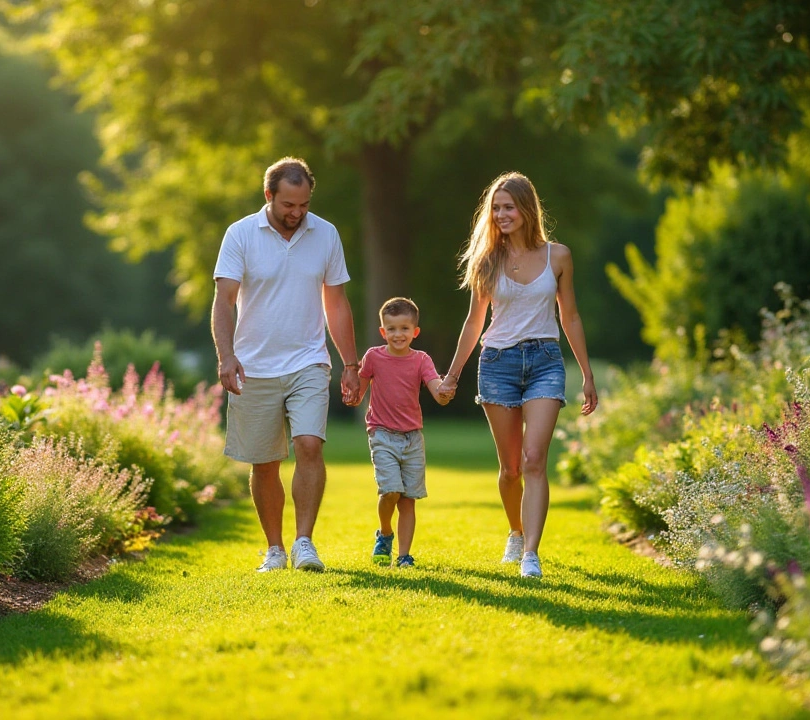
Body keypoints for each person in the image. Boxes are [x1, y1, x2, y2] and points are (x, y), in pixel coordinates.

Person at [437, 172, 598, 578]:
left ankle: (530, 553)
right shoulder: (487, 259)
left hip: (545, 360)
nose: (501, 214)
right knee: (510, 468)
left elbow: (571, 316)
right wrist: (452, 375)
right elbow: (474, 322)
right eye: (496, 208)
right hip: (497, 364)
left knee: (533, 459)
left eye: (509, 207)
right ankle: (515, 530)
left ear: (527, 209)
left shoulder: (558, 256)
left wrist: (588, 375)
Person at [212, 157, 360, 573]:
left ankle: (304, 542)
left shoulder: (325, 234)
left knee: (309, 445)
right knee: (265, 462)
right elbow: (223, 302)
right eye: (289, 205)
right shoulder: (240, 235)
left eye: (304, 205)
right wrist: (226, 356)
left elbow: (336, 303)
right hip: (254, 365)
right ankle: (274, 548)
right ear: (269, 196)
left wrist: (350, 364)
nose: (297, 213)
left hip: (308, 360)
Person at [348, 297, 452, 568]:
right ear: (383, 332)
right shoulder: (373, 357)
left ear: (415, 332)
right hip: (381, 434)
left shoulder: (421, 360)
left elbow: (436, 389)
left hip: (413, 438)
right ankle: (385, 533)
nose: (398, 334)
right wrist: (351, 394)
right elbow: (358, 392)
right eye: (392, 329)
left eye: (404, 328)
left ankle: (404, 556)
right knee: (390, 491)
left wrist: (445, 391)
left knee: (408, 501)